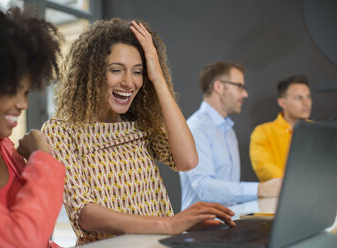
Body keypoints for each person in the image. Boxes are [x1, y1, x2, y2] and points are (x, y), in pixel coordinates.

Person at [42, 18, 235, 245]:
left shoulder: (140, 123)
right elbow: (85, 214)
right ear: (92, 74)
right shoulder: (60, 131)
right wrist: (168, 224)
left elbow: (187, 161)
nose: (129, 82)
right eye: (116, 70)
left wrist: (158, 79)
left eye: (138, 72)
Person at [0, 2, 65, 248]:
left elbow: (39, 238)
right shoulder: (33, 157)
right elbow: (20, 240)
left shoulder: (9, 152)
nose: (23, 105)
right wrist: (43, 157)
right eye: (12, 90)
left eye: (26, 92)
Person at [179, 62, 282, 210]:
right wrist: (261, 189)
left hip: (228, 222)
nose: (245, 94)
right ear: (218, 87)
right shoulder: (196, 128)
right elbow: (204, 187)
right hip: (202, 228)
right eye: (239, 86)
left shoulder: (228, 130)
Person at [250, 75, 312, 181]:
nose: (306, 103)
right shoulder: (263, 132)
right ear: (282, 102)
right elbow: (263, 167)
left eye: (308, 97)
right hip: (280, 195)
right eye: (299, 98)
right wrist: (295, 184)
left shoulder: (318, 131)